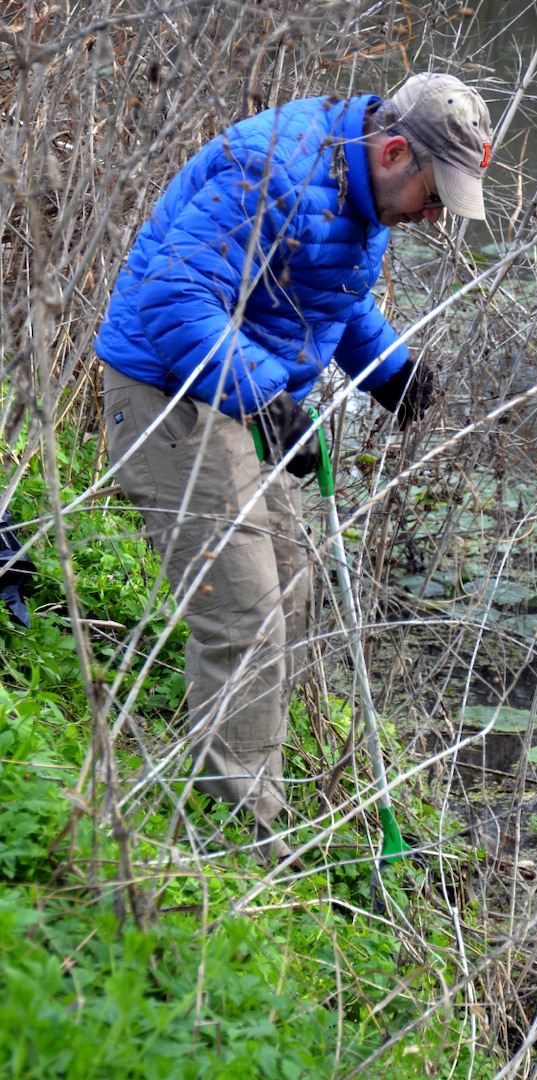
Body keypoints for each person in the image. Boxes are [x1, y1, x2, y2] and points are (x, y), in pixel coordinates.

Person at [96, 72, 492, 862]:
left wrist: (389, 370)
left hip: (230, 386)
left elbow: (324, 293)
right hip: (166, 389)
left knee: (289, 582)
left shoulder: (361, 192)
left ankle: (229, 748)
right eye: (433, 195)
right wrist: (271, 401)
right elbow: (174, 299)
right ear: (391, 151)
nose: (434, 215)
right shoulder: (273, 168)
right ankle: (240, 833)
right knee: (242, 609)